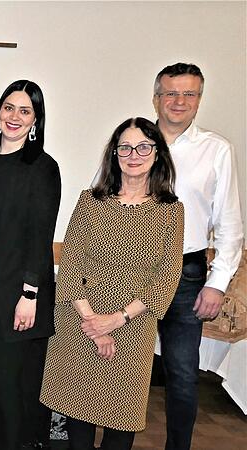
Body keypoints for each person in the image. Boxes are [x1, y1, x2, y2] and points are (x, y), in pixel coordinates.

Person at [40, 117, 184, 450]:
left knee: (121, 423)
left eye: (144, 146)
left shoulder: (171, 211)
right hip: (79, 321)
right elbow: (72, 262)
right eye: (125, 147)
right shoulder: (90, 201)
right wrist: (93, 322)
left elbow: (167, 276)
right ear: (114, 154)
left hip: (133, 329)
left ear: (157, 153)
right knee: (76, 421)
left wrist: (116, 320)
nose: (134, 154)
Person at [151, 63, 244, 450]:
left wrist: (217, 284)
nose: (179, 101)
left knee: (183, 374)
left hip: (186, 274)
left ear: (199, 99)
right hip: (127, 269)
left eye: (189, 94)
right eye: (171, 93)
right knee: (115, 368)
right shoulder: (134, 140)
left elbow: (230, 226)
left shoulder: (216, 149)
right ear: (156, 97)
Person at [0, 80, 60, 450]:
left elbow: (40, 235)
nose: (15, 117)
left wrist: (30, 293)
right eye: (9, 107)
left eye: (25, 110)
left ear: (36, 119)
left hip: (20, 294)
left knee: (14, 390)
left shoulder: (41, 166)